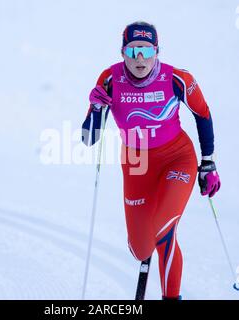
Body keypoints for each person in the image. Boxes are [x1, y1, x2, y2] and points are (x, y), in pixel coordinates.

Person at [81, 21, 221, 300]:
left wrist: (208, 163)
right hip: (136, 163)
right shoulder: (110, 79)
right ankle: (146, 241)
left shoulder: (177, 79)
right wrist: (96, 108)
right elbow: (88, 139)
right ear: (123, 53)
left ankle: (172, 297)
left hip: (177, 158)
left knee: (163, 229)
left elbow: (203, 113)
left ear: (157, 51)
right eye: (133, 52)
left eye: (146, 50)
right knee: (141, 249)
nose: (140, 59)